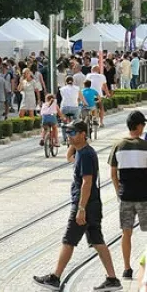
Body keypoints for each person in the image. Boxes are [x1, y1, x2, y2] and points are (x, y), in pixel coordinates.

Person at [33, 121, 122, 291]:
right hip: (92, 204)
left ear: (83, 134)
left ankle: (55, 277)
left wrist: (81, 208)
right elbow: (69, 158)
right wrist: (72, 143)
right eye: (67, 133)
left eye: (73, 133)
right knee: (97, 241)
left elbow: (87, 182)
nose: (69, 136)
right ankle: (112, 279)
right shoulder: (82, 152)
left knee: (69, 240)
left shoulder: (86, 155)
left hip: (85, 204)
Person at [109, 111, 147, 280]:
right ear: (139, 126)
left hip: (126, 197)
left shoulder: (118, 145)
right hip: (144, 196)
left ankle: (126, 268)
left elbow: (113, 174)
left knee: (126, 233)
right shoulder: (145, 146)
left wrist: (119, 192)